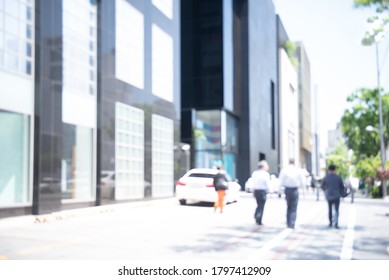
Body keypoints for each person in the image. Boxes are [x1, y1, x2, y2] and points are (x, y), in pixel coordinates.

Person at [279, 159, 305, 229]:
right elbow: (303, 181)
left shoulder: (284, 170)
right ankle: (292, 223)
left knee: (288, 206)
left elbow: (280, 181)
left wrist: (279, 191)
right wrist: (304, 191)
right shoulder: (298, 170)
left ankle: (288, 222)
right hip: (294, 189)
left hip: (287, 189)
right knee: (293, 208)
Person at [321, 164, 345, 229]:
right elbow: (342, 187)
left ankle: (330, 222)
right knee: (336, 209)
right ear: (335, 170)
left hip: (328, 195)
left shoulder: (326, 177)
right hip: (337, 195)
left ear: (329, 170)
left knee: (330, 209)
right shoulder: (338, 177)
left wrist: (326, 190)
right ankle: (336, 223)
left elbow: (322, 186)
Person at [251, 160, 271, 225]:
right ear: (263, 166)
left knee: (259, 204)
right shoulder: (266, 174)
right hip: (262, 191)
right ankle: (258, 217)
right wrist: (270, 191)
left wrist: (252, 191)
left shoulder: (255, 173)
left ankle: (257, 216)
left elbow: (252, 183)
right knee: (261, 205)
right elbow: (268, 184)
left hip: (256, 191)